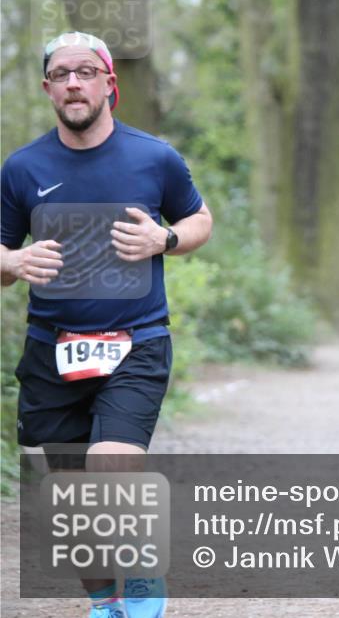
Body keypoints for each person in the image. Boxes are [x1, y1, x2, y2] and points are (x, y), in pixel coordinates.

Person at [0, 32, 213, 618]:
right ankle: (105, 602)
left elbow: (199, 218)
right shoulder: (21, 169)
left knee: (110, 467)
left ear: (109, 84)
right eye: (62, 73)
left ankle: (143, 585)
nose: (74, 82)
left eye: (86, 72)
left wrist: (165, 238)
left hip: (136, 343)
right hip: (52, 350)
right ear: (47, 88)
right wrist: (13, 262)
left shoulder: (154, 157)